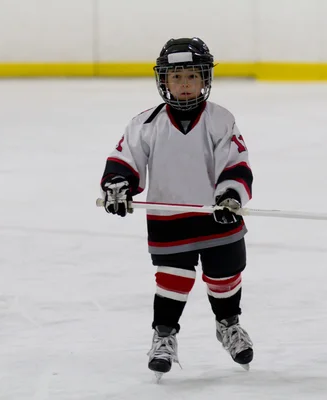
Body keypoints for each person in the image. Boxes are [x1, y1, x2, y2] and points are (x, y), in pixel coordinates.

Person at [99, 37, 254, 377]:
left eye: (193, 76)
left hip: (218, 216)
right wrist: (118, 186)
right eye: (177, 77)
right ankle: (164, 336)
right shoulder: (145, 124)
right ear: (164, 81)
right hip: (169, 218)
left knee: (225, 275)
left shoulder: (221, 120)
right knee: (173, 279)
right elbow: (125, 160)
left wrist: (230, 196)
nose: (185, 85)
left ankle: (228, 325)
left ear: (206, 79)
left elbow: (236, 163)